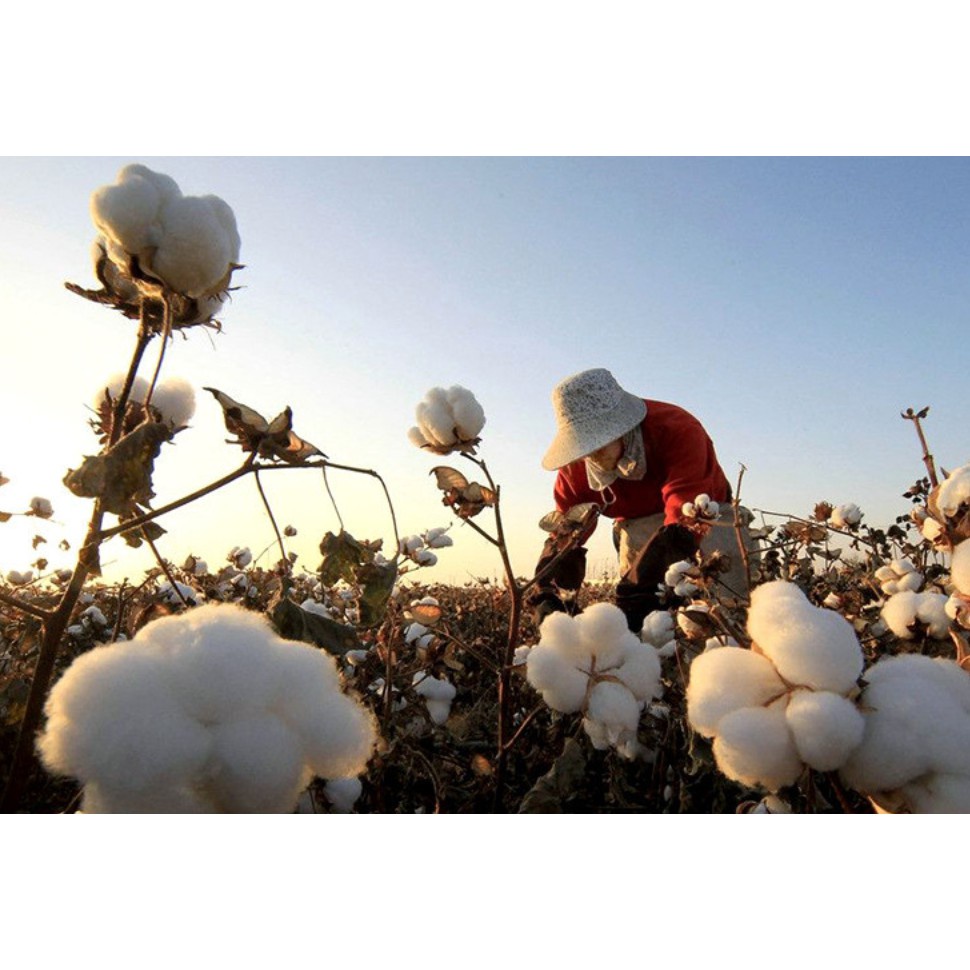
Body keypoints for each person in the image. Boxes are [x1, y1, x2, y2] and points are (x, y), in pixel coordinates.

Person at [532, 367, 751, 632]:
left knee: (723, 614)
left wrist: (640, 586)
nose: (593, 456)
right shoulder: (575, 471)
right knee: (647, 632)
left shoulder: (677, 429)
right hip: (636, 529)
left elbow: (686, 513)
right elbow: (568, 533)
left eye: (599, 443)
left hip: (707, 521)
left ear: (623, 427)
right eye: (586, 448)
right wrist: (549, 593)